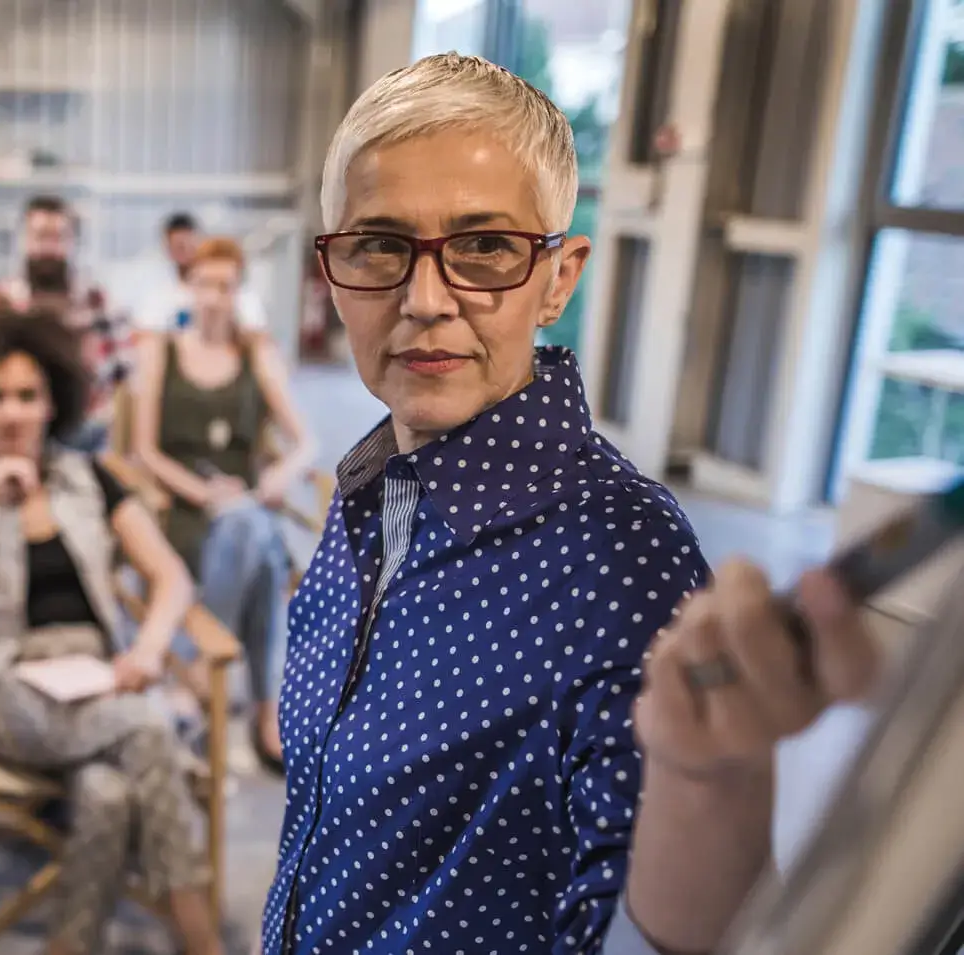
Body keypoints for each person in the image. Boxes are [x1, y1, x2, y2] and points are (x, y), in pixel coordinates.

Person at [257, 52, 879, 955]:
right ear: (334, 271)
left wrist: (709, 787)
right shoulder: (371, 493)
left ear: (558, 277)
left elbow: (652, 927)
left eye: (485, 248)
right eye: (381, 245)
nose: (427, 300)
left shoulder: (618, 558)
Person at [0, 307, 221, 955]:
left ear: (54, 401)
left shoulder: (90, 478)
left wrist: (149, 646)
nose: (12, 412)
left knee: (107, 794)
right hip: (4, 685)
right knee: (149, 725)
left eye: (27, 395)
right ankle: (201, 940)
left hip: (98, 677)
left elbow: (170, 577)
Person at [131, 236, 313, 771]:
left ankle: (191, 684)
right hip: (181, 507)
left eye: (225, 286)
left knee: (252, 533)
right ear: (189, 287)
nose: (214, 296)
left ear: (239, 291)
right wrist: (201, 493)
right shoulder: (160, 350)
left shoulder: (254, 352)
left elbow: (305, 443)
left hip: (244, 505)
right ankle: (266, 709)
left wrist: (280, 471)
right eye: (205, 283)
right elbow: (143, 449)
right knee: (267, 553)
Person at [0, 195, 131, 453]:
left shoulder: (102, 306)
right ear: (23, 241)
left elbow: (126, 381)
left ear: (72, 242)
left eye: (58, 237)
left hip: (89, 435)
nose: (49, 248)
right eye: (40, 236)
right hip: (11, 432)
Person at [134, 212, 267, 335]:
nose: (185, 251)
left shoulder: (243, 297)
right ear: (167, 248)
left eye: (189, 244)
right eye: (178, 246)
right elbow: (146, 335)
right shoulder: (160, 298)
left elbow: (255, 335)